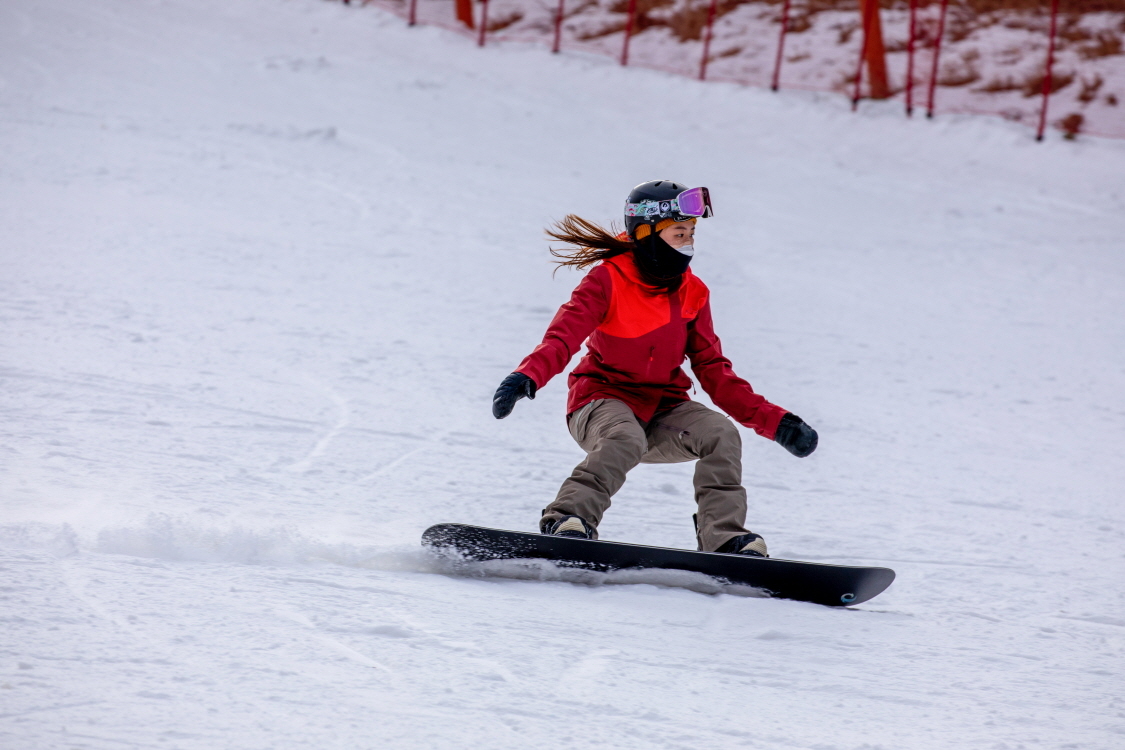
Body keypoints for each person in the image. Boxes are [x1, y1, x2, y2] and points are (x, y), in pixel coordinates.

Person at [491, 180, 818, 557]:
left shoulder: (693, 292)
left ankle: (723, 538)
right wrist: (527, 375)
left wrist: (777, 422)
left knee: (721, 434)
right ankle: (568, 518)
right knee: (625, 437)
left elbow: (714, 370)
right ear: (646, 233)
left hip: (664, 408)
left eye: (692, 233)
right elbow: (563, 336)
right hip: (599, 400)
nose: (689, 243)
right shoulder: (608, 280)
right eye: (679, 233)